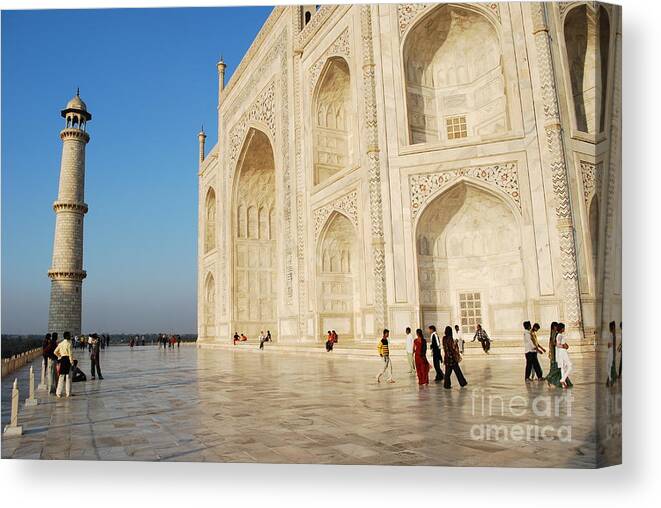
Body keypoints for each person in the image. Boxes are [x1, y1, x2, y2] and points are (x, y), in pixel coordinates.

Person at [54, 331, 74, 398]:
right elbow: (70, 354)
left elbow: (55, 352)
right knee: (68, 377)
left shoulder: (60, 343)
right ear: (68, 336)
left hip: (62, 360)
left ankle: (58, 393)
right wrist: (72, 362)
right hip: (68, 360)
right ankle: (68, 393)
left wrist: (59, 356)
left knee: (61, 377)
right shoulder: (69, 344)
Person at [555, 323, 572, 389]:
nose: (564, 329)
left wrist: (565, 345)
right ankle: (562, 379)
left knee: (563, 367)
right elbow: (558, 344)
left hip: (561, 352)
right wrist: (564, 346)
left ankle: (563, 384)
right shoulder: (560, 335)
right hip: (562, 351)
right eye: (563, 328)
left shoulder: (559, 335)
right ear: (561, 328)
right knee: (570, 366)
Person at [606, 321, 618, 386]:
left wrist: (610, 344)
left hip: (611, 351)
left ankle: (610, 380)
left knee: (609, 366)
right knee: (609, 366)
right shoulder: (613, 334)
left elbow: (609, 345)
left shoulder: (611, 334)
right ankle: (610, 379)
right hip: (611, 351)